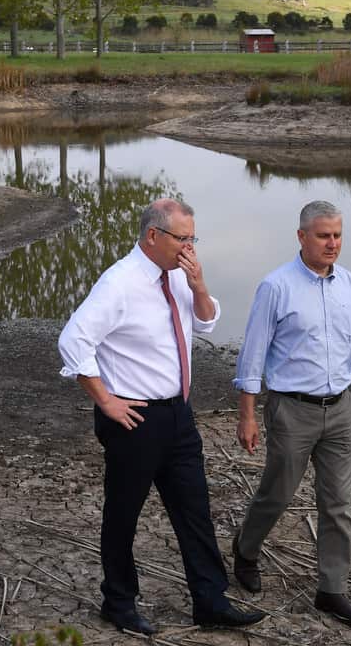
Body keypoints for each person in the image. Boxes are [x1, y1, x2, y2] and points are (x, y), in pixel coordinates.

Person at [58, 198, 265, 635]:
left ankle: (209, 601)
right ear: (153, 236)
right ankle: (118, 601)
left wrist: (200, 284)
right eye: (182, 238)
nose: (189, 246)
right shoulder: (120, 282)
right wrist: (106, 401)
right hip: (133, 419)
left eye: (193, 238)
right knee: (123, 514)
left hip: (178, 415)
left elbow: (206, 323)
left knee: (195, 510)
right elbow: (74, 341)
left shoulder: (181, 277)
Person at [231, 200, 351, 627]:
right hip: (292, 411)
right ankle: (245, 547)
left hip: (342, 410)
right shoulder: (276, 287)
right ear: (302, 237)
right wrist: (248, 414)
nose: (332, 243)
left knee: (338, 504)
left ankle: (332, 589)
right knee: (277, 493)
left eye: (337, 235)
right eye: (323, 235)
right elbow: (252, 356)